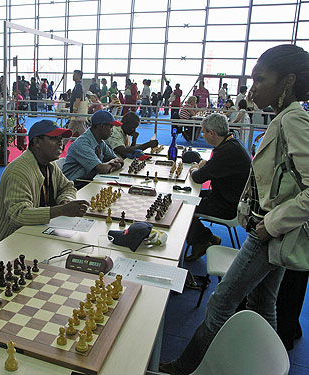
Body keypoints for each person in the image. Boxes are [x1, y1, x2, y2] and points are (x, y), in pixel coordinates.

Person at [160, 44, 309, 375]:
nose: (253, 87)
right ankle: (263, 365)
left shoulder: (294, 120)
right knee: (261, 304)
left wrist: (271, 223)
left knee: (220, 302)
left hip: (269, 234)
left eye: (260, 79)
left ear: (287, 82)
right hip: (273, 232)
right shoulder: (283, 119)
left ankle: (187, 367)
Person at [0, 120, 89, 247]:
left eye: (61, 138)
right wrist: (61, 210)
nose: (61, 143)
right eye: (54, 138)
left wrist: (65, 200)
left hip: (37, 231)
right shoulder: (19, 171)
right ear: (37, 142)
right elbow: (18, 215)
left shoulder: (49, 163)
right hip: (8, 241)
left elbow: (67, 187)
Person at [184, 113, 251, 261]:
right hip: (228, 197)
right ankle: (207, 238)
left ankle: (203, 240)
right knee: (188, 196)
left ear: (212, 133)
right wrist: (205, 166)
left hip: (228, 206)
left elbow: (198, 177)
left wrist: (195, 168)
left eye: (203, 131)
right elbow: (216, 168)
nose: (203, 134)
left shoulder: (226, 151)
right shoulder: (232, 143)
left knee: (184, 207)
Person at [63, 110, 124, 188]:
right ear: (101, 126)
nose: (112, 130)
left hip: (89, 182)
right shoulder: (82, 144)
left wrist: (112, 163)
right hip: (75, 186)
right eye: (111, 127)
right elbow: (101, 168)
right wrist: (112, 163)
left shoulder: (100, 141)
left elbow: (118, 159)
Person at [69, 69, 86, 136]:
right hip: (76, 110)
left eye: (74, 75)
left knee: (80, 128)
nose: (73, 76)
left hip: (77, 110)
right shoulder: (78, 85)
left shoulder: (78, 86)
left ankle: (89, 141)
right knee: (72, 127)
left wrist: (75, 109)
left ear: (79, 76)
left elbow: (78, 98)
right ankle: (64, 143)